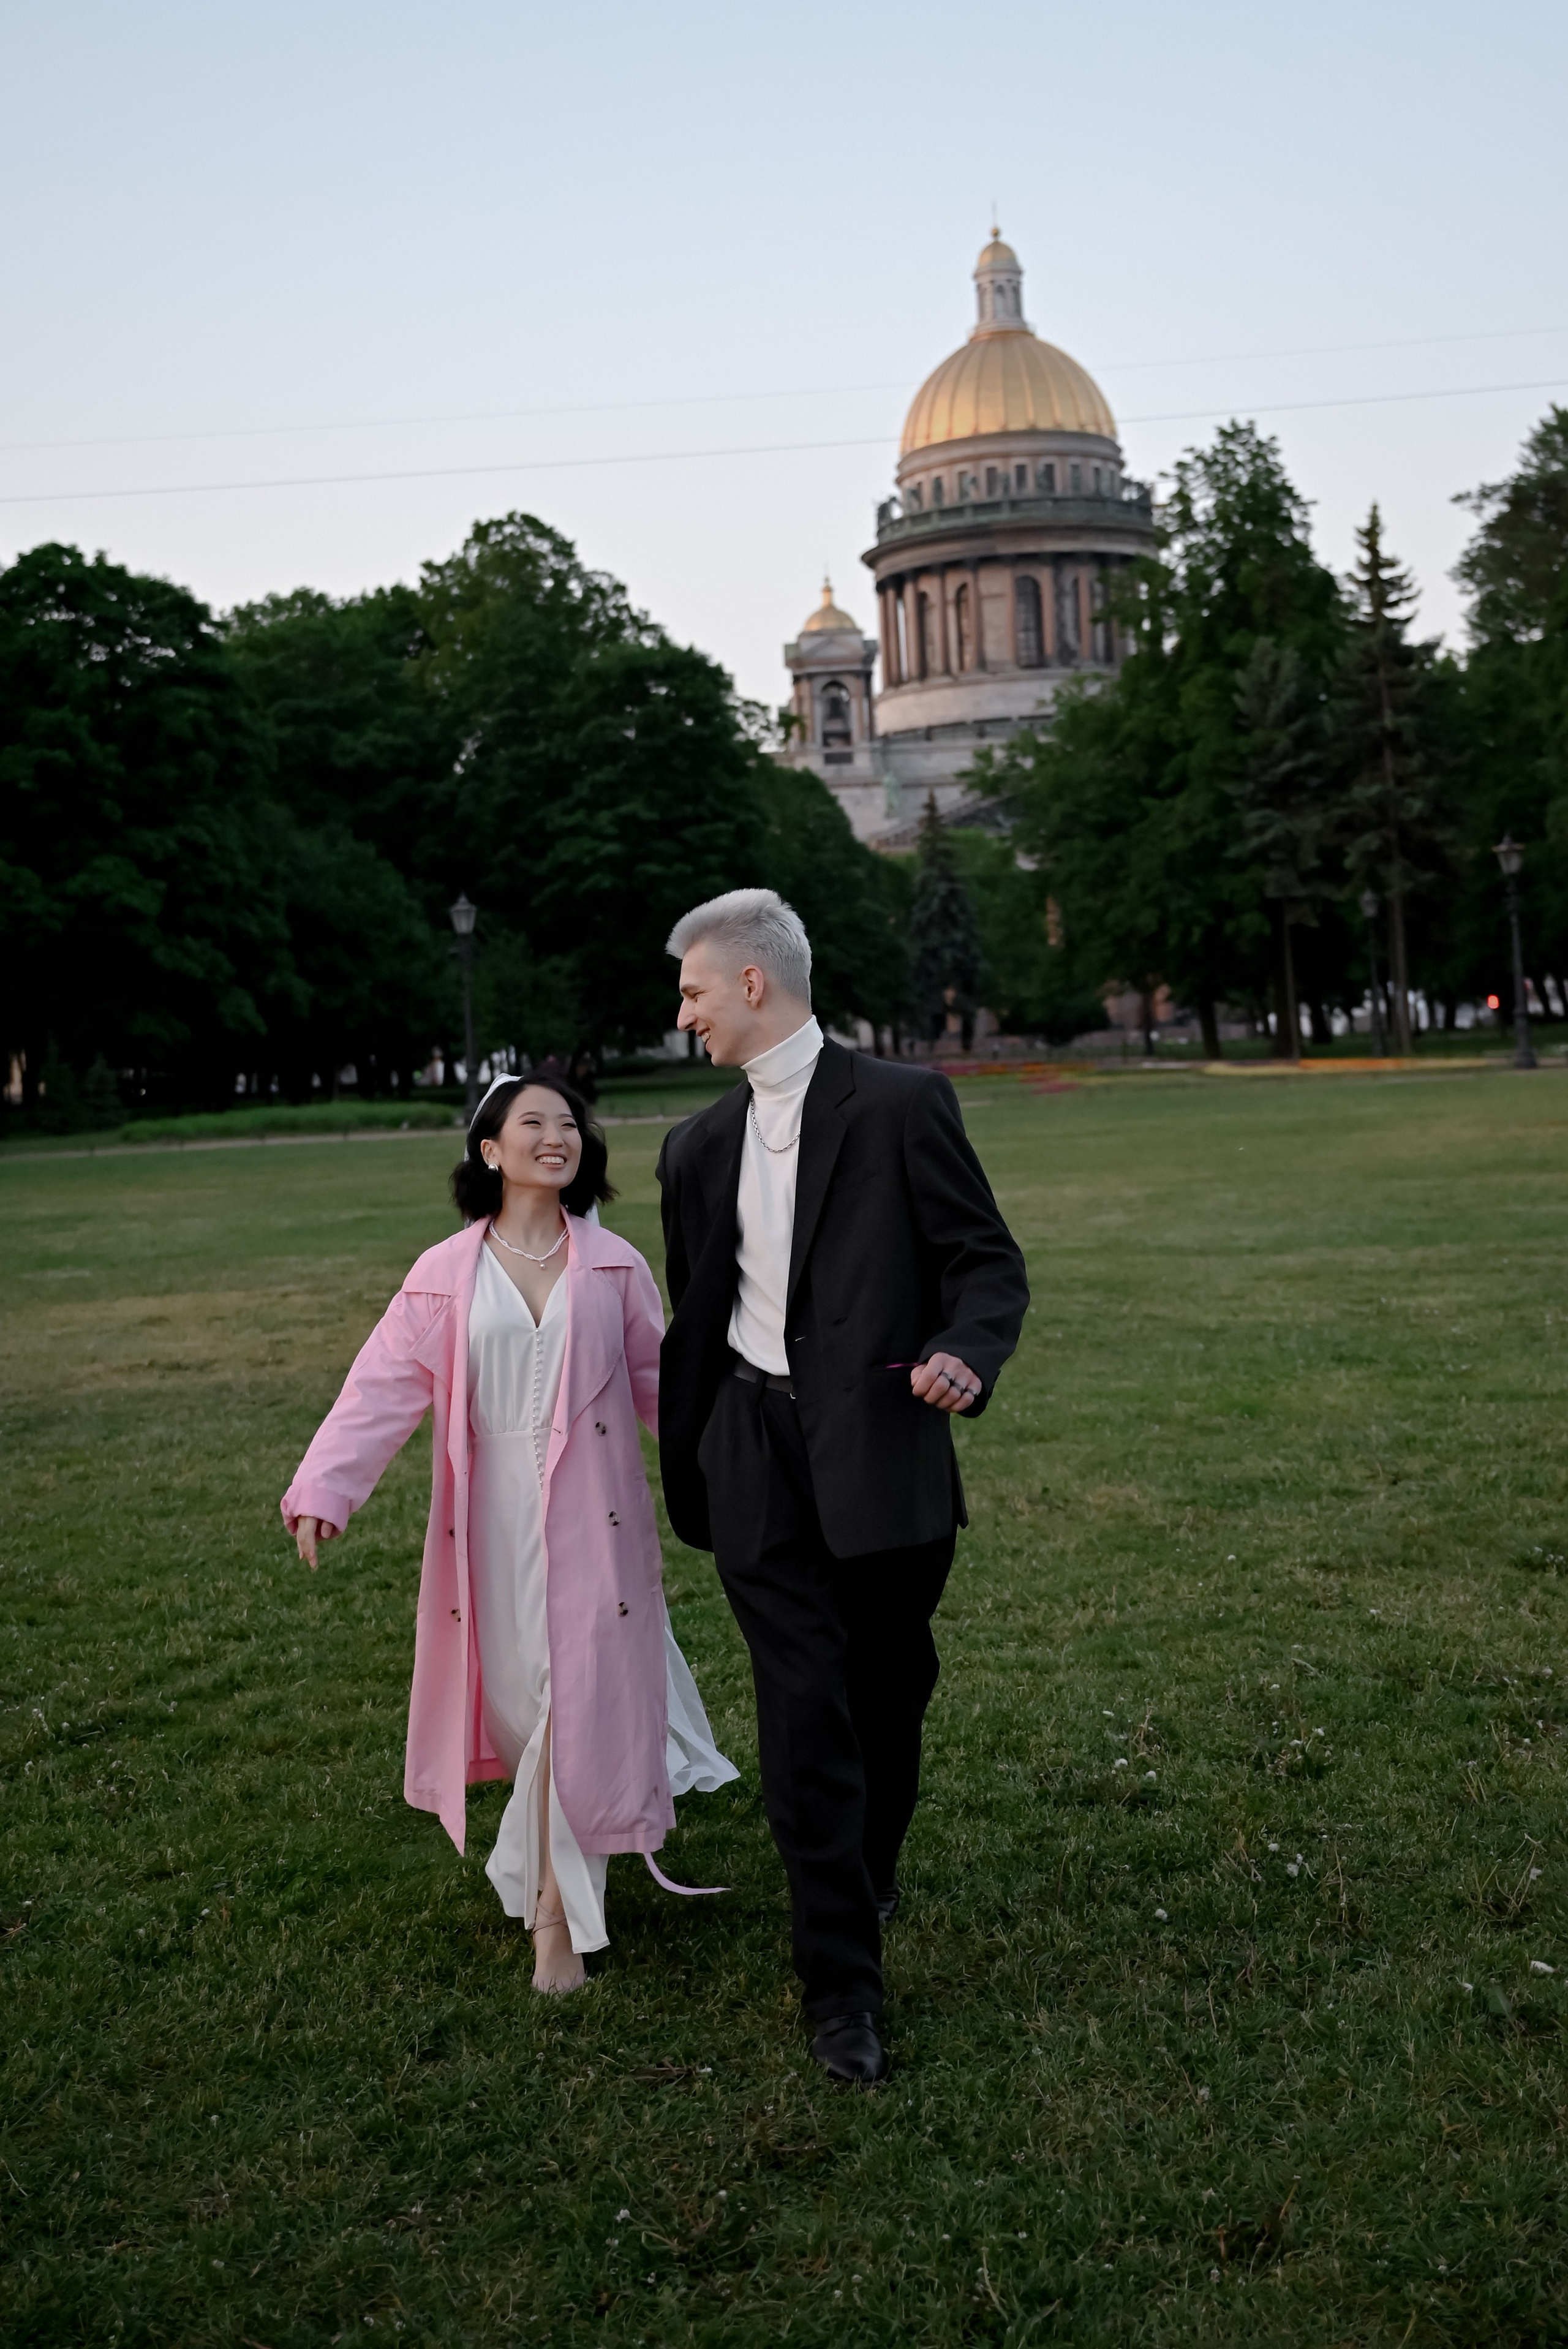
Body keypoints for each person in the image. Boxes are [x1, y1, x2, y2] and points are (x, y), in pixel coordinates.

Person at [656, 889, 1029, 2082]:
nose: (684, 1012)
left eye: (694, 990)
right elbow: (698, 1316)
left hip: (883, 1448)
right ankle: (840, 1991)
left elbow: (983, 1261)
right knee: (802, 1715)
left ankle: (867, 1869)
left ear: (752, 985)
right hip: (754, 1457)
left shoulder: (905, 1106)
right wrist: (702, 1447)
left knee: (887, 1686)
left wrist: (965, 1350)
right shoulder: (694, 1147)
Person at [281, 1074, 736, 1994]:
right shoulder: (444, 1274)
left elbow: (671, 1397)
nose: (557, 1136)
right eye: (534, 1123)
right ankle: (548, 1877)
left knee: (581, 1705)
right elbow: (381, 1388)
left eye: (570, 1123)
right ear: (490, 1151)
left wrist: (747, 1476)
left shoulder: (614, 1267)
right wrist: (325, 1487)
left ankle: (555, 1924)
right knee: (525, 1706)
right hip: (490, 1527)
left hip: (597, 1523)